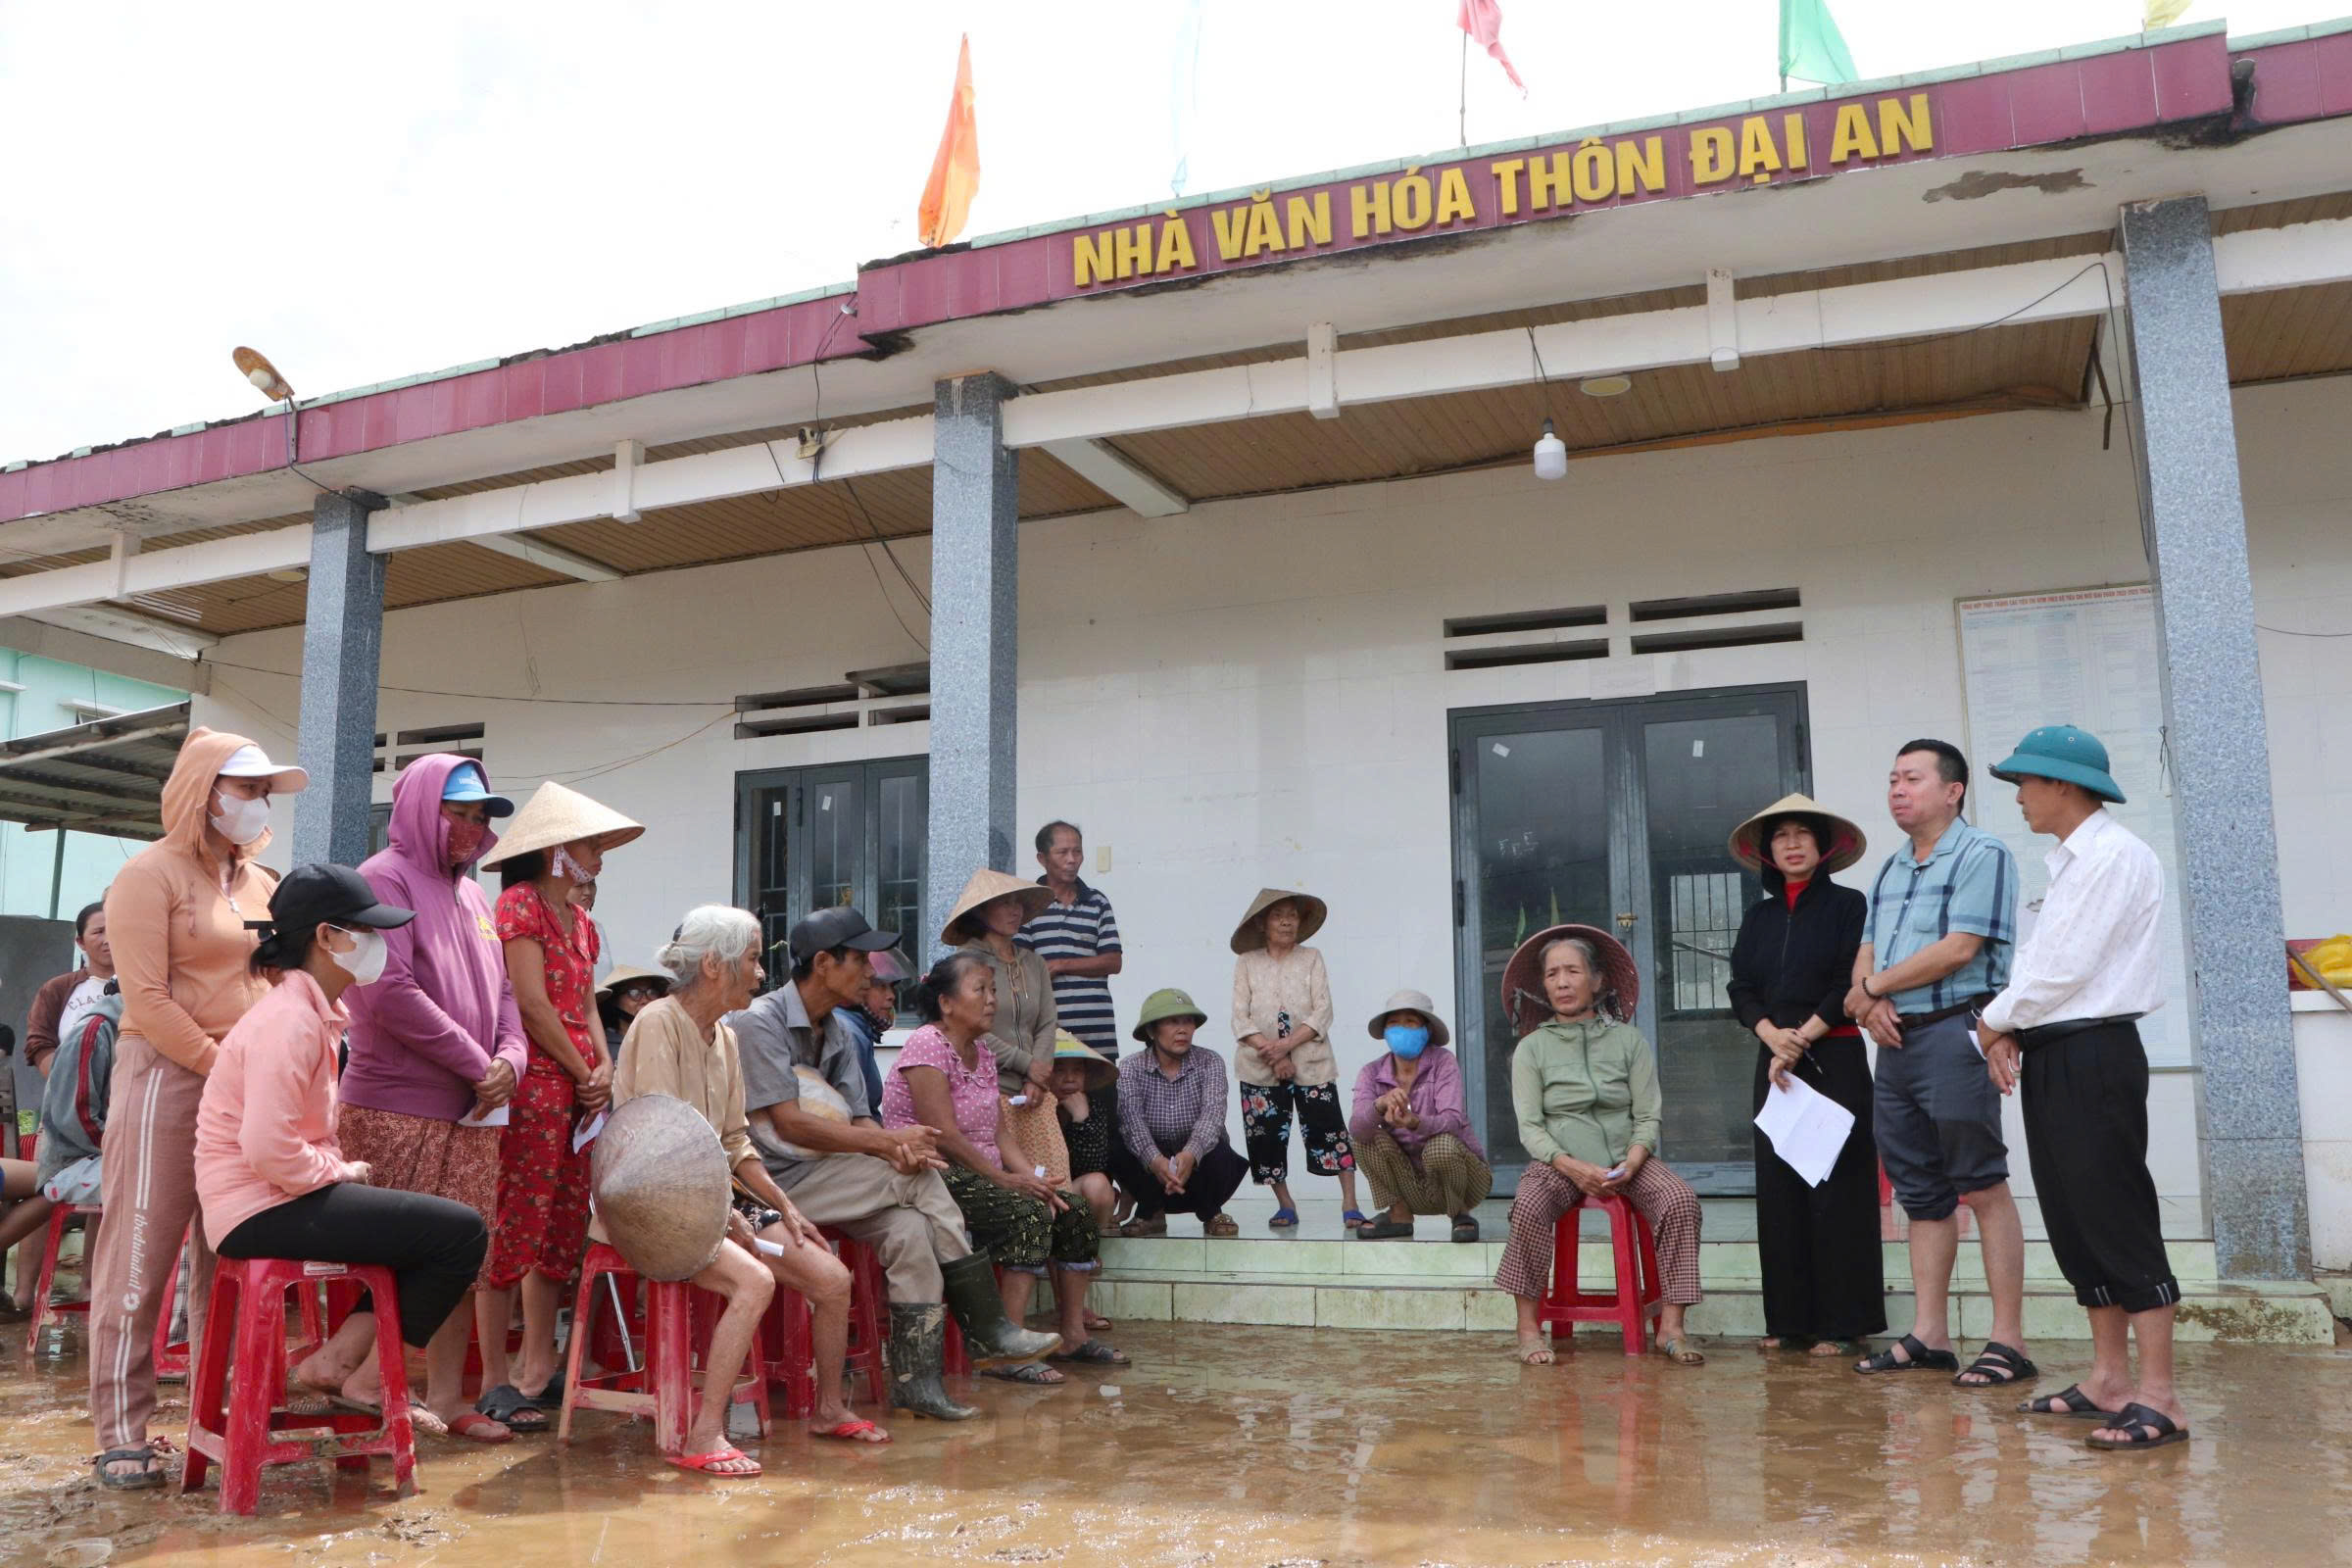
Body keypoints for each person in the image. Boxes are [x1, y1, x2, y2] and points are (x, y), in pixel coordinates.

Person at [727, 906, 1058, 1421]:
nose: (870, 972)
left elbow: (861, 1121)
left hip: (831, 1176)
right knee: (924, 1179)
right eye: (859, 960)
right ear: (823, 963)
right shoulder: (760, 1022)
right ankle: (987, 1324)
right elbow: (790, 1125)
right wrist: (889, 1148)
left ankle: (916, 1383)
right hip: (774, 1185)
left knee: (909, 1231)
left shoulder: (836, 1030)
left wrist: (896, 1146)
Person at [194, 865, 486, 1442]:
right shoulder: (290, 1022)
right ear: (327, 938)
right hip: (258, 1206)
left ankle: (334, 1365)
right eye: (367, 930)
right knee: (460, 1234)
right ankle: (373, 1381)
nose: (379, 943)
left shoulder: (312, 1014)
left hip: (269, 1198)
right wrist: (341, 1171)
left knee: (422, 1233)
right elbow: (266, 1147)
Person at [87, 728, 302, 1490]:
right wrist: (221, 1069)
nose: (258, 802)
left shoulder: (263, 885)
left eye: (263, 790)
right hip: (167, 1077)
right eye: (246, 788)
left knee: (232, 1253)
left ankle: (219, 1416)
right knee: (141, 1252)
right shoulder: (149, 876)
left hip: (243, 1082)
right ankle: (122, 1430)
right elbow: (144, 996)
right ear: (204, 790)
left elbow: (280, 981)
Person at [294, 756, 526, 1442]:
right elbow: (388, 992)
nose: (472, 828)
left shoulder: (473, 895)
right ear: (423, 808)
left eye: (480, 816)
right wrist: (478, 1061)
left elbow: (507, 993)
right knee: (416, 1256)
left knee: (464, 1260)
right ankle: (363, 1378)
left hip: (476, 1108)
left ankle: (448, 1399)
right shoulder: (381, 879)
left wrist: (510, 1058)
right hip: (398, 1106)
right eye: (459, 813)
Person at [611, 906, 889, 1467]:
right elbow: (663, 1142)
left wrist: (783, 1205)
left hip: (715, 1200)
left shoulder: (727, 1037)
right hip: (652, 1205)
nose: (761, 974)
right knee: (756, 1282)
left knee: (831, 1278)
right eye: (753, 959)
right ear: (713, 965)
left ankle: (829, 1408)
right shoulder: (658, 1022)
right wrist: (724, 1211)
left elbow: (736, 1141)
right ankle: (703, 1436)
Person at [1978, 727, 2185, 1451]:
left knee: (2116, 1213)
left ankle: (2160, 1395)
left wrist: (1990, 1023)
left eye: (2026, 784)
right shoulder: (2072, 863)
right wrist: (2007, 1027)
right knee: (2075, 1216)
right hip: (2058, 1048)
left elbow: (2062, 969)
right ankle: (2109, 1380)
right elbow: (2044, 968)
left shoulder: (2113, 856)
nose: (2021, 798)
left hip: (2096, 1049)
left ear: (2062, 784)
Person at [1846, 740, 2033, 1390]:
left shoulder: (1982, 855)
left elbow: (1960, 947)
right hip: (1895, 1043)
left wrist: (1871, 992)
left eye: (1913, 779)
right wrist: (1866, 998)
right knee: (1919, 1192)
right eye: (1892, 778)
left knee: (1980, 1184)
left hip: (1958, 1031)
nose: (1898, 789)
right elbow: (1866, 951)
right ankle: (1930, 1334)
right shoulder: (1891, 869)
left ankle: (2008, 1339)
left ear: (1952, 791)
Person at [473, 780, 644, 1432]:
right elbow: (530, 1003)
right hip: (537, 1086)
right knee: (515, 1223)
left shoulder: (582, 923)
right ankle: (494, 1378)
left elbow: (587, 1008)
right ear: (555, 850)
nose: (598, 853)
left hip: (576, 1092)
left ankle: (535, 1370)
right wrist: (583, 1070)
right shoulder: (518, 906)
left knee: (560, 1230)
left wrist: (602, 1067)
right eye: (588, 843)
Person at [885, 952, 1122, 1383]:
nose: (992, 1000)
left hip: (980, 1172)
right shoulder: (926, 1044)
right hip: (933, 1172)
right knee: (1027, 1214)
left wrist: (1032, 1178)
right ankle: (1005, 1350)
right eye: (981, 990)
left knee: (1072, 1210)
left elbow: (998, 1135)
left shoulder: (983, 1055)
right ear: (947, 1003)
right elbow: (944, 1133)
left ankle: (1070, 1335)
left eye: (993, 990)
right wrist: (1006, 1181)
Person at [1493, 925, 1706, 1368]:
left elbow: (1647, 1115)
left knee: (1681, 1200)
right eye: (1552, 974)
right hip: (1558, 1161)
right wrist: (1571, 1166)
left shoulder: (1629, 1041)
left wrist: (1633, 1160)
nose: (1562, 982)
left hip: (1629, 1158)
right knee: (1529, 1206)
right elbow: (1530, 1128)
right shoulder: (1532, 1049)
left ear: (1598, 980)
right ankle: (1529, 1328)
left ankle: (1671, 1325)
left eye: (1573, 971)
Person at [1725, 794, 1886, 1356]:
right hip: (1774, 1065)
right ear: (1768, 852)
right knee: (1781, 1188)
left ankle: (1846, 1323)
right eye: (1781, 836)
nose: (1792, 844)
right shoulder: (1758, 917)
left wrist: (1805, 1034)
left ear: (1823, 847)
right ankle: (1790, 1320)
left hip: (1833, 1058)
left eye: (1802, 834)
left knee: (1838, 1187)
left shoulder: (1849, 905)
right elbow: (1740, 987)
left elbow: (1851, 978)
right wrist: (1771, 1035)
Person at [1230, 888, 1361, 1231]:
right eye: (1278, 915)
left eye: (1292, 914)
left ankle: (1350, 1202)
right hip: (1259, 1066)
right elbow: (1240, 1020)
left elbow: (1323, 1011)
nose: (1287, 921)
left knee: (1330, 1129)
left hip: (1312, 1061)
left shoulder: (1312, 957)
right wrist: (1273, 1055)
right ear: (1261, 922)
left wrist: (1286, 1046)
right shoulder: (1246, 962)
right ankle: (1285, 1204)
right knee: (1266, 1137)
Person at [945, 868, 1065, 1184]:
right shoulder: (965, 963)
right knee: (1005, 1188)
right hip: (987, 1096)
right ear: (982, 910)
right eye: (1005, 903)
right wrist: (1027, 1064)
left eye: (1019, 903)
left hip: (1034, 1095)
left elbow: (1047, 1022)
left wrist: (1037, 1078)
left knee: (1054, 1184)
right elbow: (968, 1028)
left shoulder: (1033, 962)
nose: (1015, 910)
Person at [1348, 989, 1491, 1243]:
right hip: (1410, 1182)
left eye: (1410, 1022)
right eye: (1393, 1023)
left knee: (1442, 1144)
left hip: (1466, 1180)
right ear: (1385, 1032)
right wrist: (1379, 1105)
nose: (1401, 1029)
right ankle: (1399, 1214)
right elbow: (1357, 1127)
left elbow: (1453, 1121)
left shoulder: (1443, 1062)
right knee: (1362, 1139)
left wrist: (1416, 1122)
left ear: (1426, 1030)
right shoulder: (1371, 1072)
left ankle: (1461, 1213)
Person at [1113, 989, 1248, 1239]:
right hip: (1152, 1173)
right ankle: (1150, 1214)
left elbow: (1213, 1114)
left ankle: (1211, 1213)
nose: (1183, 1029)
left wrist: (1191, 1153)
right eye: (1172, 1021)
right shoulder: (1131, 1067)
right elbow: (1132, 1121)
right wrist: (1154, 1160)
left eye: (1187, 1021)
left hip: (1198, 1170)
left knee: (1218, 1149)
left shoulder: (1210, 1061)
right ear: (1152, 1031)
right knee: (1119, 1147)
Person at [1019, 820, 1124, 1056]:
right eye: (1062, 852)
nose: (1072, 859)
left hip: (1098, 1034)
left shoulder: (1098, 902)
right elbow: (1020, 967)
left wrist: (1060, 965)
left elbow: (1113, 962)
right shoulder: (1026, 905)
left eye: (1077, 851)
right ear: (1042, 859)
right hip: (1047, 1036)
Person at [24, 900, 111, 1078]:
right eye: (99, 932)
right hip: (70, 1098)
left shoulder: (145, 987)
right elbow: (39, 1042)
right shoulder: (57, 989)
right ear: (81, 942)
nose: (108, 940)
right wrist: (65, 1082)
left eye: (115, 930)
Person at [1050, 1032, 1121, 1237]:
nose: (1070, 1078)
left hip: (1072, 1189)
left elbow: (1094, 1166)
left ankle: (1088, 1248)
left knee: (1098, 1185)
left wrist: (1081, 1119)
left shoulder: (1094, 1106)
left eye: (1077, 1070)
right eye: (1059, 1069)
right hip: (1035, 1187)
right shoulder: (1031, 1105)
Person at [831, 951, 905, 1115]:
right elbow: (851, 1113)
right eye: (881, 986)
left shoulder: (860, 1028)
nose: (891, 996)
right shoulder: (850, 1032)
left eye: (892, 987)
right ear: (861, 987)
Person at [597, 965, 672, 1061]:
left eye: (652, 992)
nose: (645, 1000)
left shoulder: (668, 1040)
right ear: (615, 1000)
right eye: (634, 993)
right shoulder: (603, 1047)